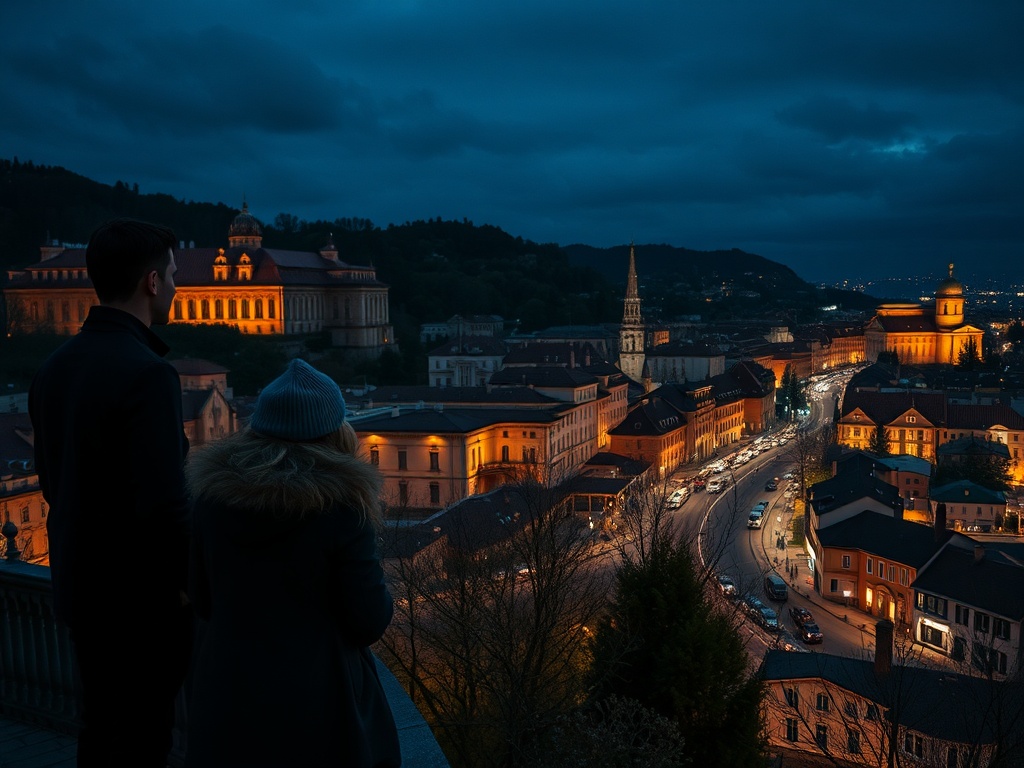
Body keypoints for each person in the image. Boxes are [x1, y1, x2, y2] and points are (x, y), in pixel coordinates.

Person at [29, 218, 192, 766]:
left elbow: (51, 480)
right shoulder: (148, 374)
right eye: (171, 274)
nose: (175, 286)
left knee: (98, 729)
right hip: (139, 601)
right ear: (151, 282)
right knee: (145, 737)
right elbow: (166, 506)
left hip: (79, 585)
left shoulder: (53, 369)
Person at [185, 359, 401, 768]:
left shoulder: (210, 500)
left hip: (228, 688)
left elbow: (201, 597)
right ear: (335, 430)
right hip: (317, 697)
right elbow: (369, 620)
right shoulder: (342, 510)